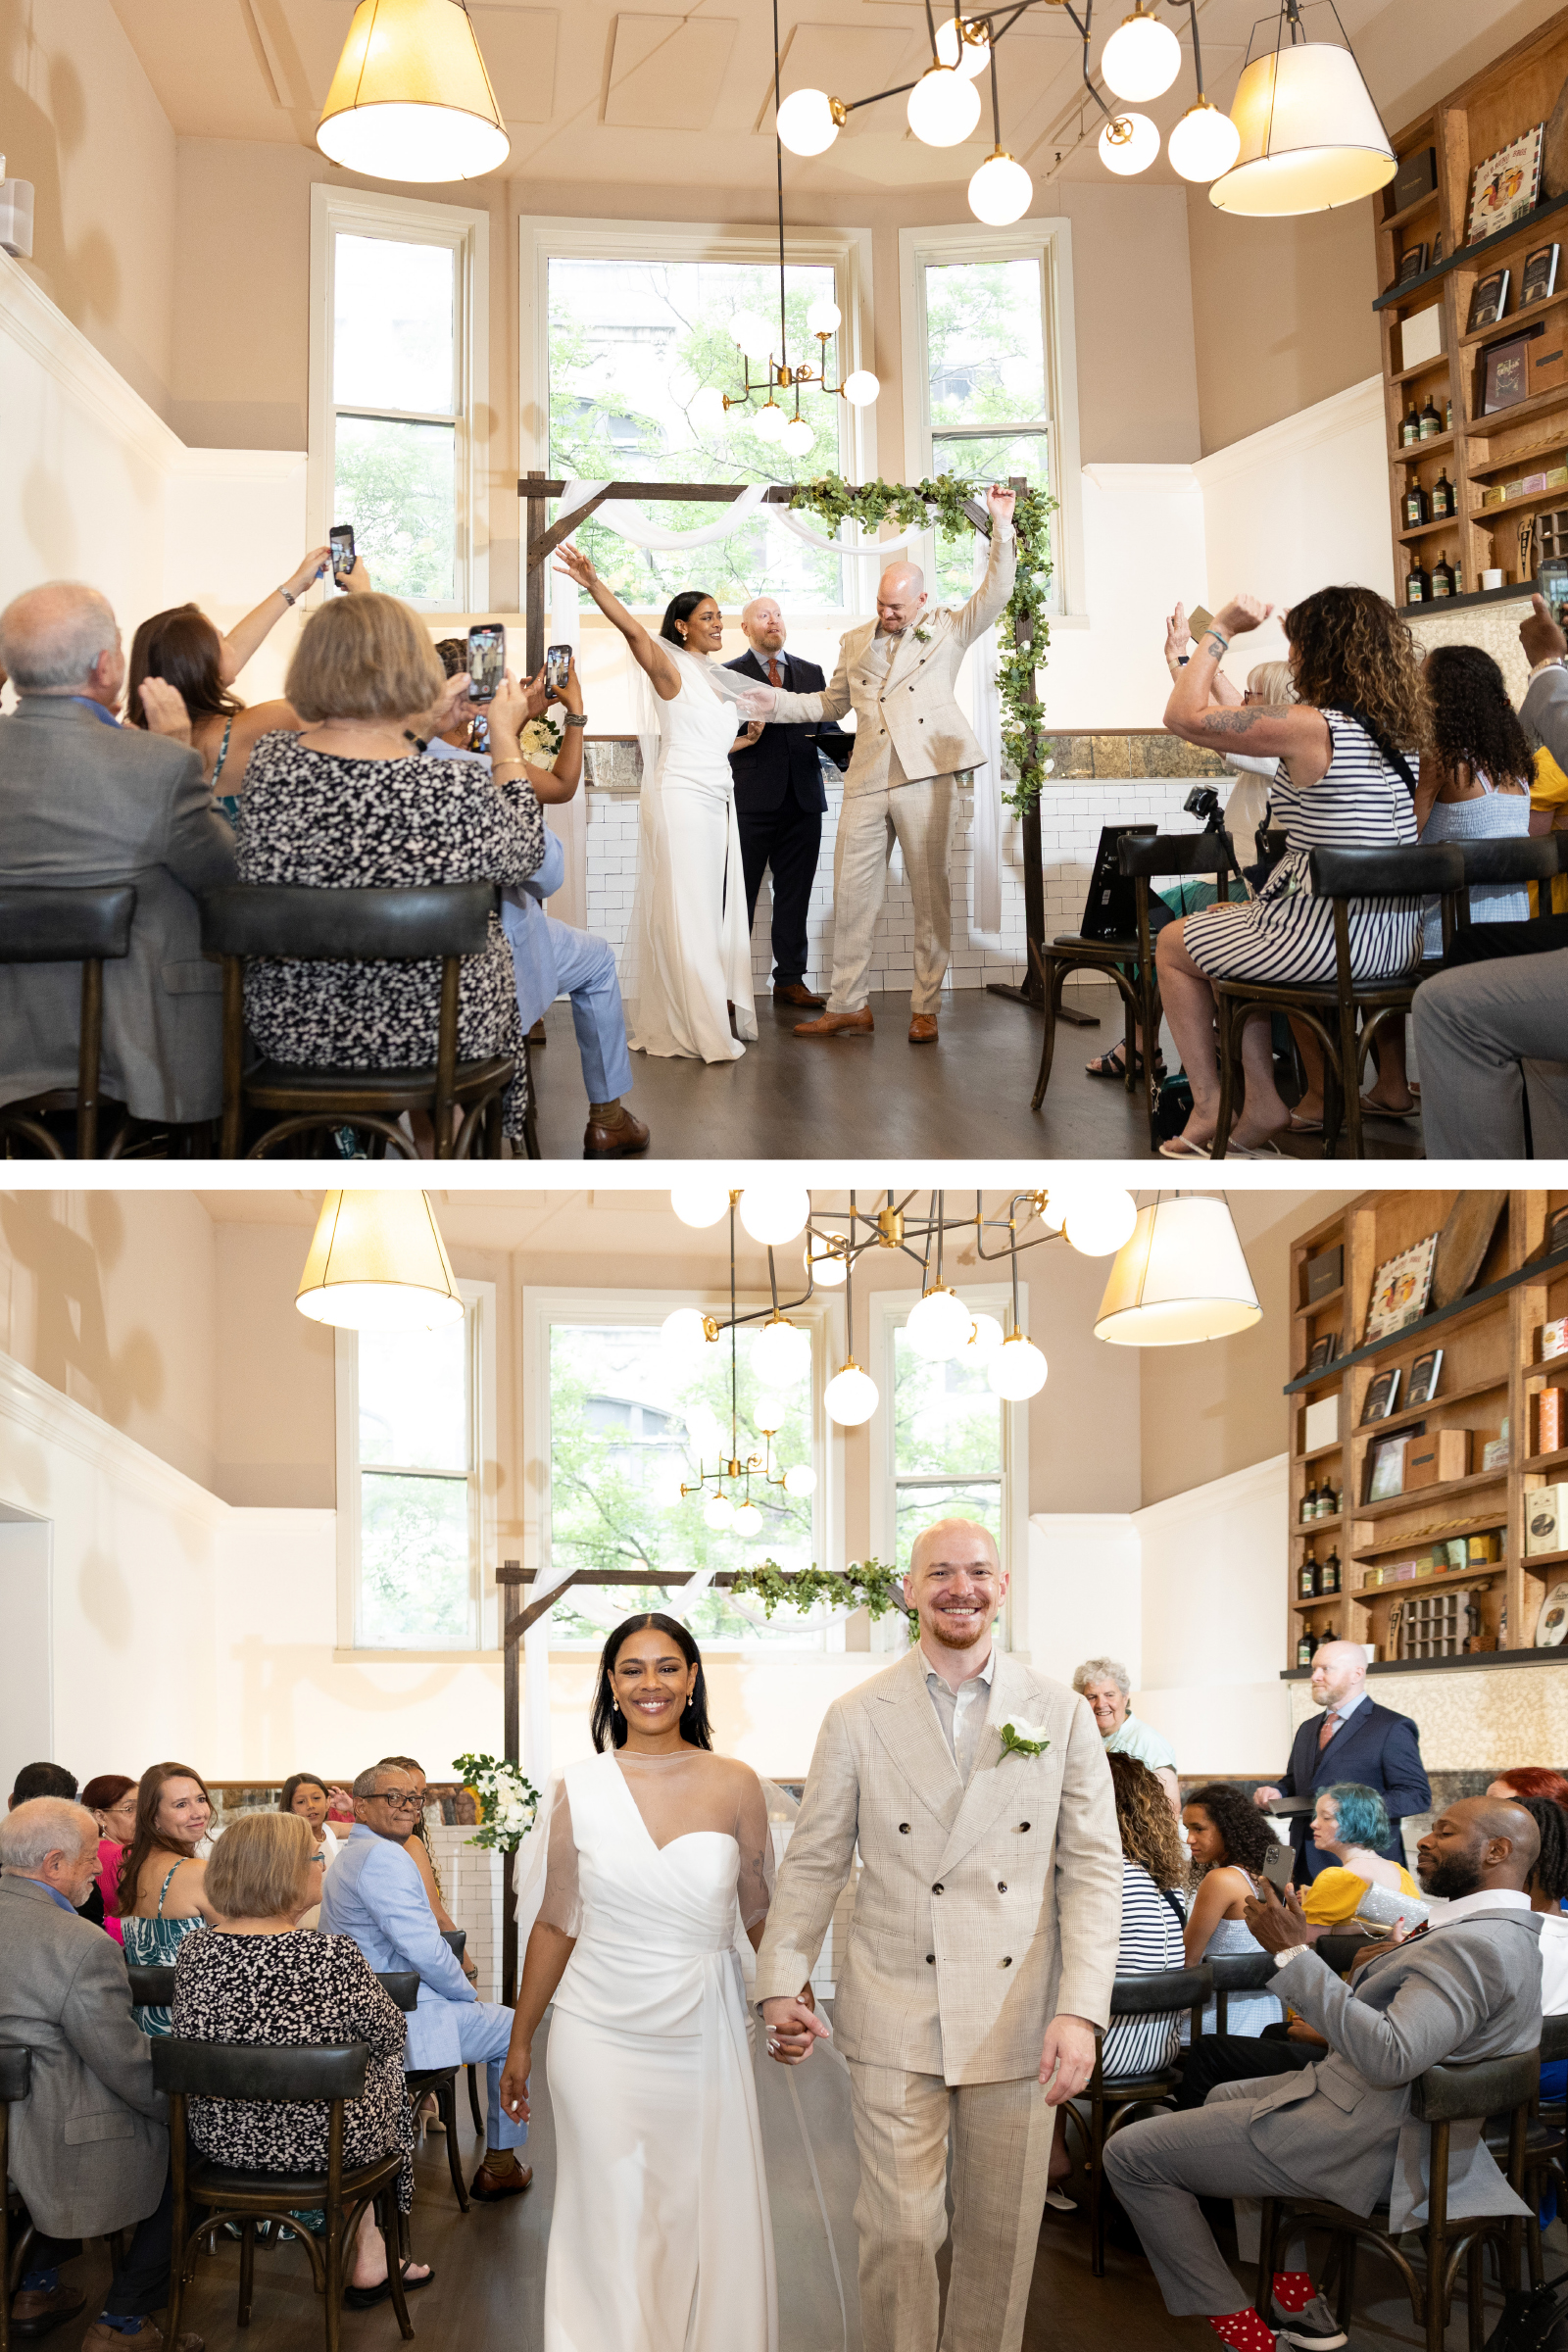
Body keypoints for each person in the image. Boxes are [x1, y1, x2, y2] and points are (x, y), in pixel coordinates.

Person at [755, 1517, 1122, 2352]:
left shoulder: (1061, 1713)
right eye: (942, 1573)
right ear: (911, 1589)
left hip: (1020, 2009)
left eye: (979, 1572)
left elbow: (1094, 1872)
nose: (962, 1588)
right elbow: (813, 1862)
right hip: (893, 2001)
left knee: (999, 2241)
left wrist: (1080, 2011)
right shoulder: (857, 1714)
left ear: (1003, 1588)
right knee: (899, 2231)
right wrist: (780, 1978)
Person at [1103, 1797, 1544, 2352]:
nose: (1425, 1839)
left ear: (1497, 1851)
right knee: (1222, 2092)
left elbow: (1389, 2056)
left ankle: (1245, 2336)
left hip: (1376, 2137)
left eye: (1445, 1831)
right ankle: (1296, 2303)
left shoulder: (1474, 1944)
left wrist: (1293, 1955)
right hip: (1405, 2120)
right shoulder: (1504, 1931)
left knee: (1129, 2155)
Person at [502, 1613, 781, 2349]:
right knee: (610, 2206)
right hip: (595, 2031)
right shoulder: (577, 1787)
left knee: (689, 2206)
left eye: (666, 1667)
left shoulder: (736, 1783)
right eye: (632, 1668)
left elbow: (759, 1908)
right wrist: (521, 2041)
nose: (649, 1683)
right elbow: (555, 1923)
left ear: (692, 1678)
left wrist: (790, 1991)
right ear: (610, 1682)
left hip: (701, 2027)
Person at [236, 589, 547, 1152]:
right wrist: (505, 737)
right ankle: (447, 1158)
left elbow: (360, 770)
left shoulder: (271, 765)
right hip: (437, 1038)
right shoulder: (451, 785)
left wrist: (421, 730)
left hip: (299, 1033)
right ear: (415, 670)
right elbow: (525, 854)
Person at [1157, 586, 1428, 1158]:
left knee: (1173, 944)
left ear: (1321, 651)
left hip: (1329, 943)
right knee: (1222, 925)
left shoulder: (1312, 726)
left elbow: (1182, 716)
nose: (1293, 658)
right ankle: (1262, 1100)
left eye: (1298, 645)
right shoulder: (1400, 733)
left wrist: (1221, 628)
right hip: (1394, 943)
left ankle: (1211, 1103)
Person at [744, 486, 1018, 1047]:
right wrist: (772, 704)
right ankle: (848, 1005)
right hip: (867, 776)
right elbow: (830, 705)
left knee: (930, 895)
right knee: (852, 894)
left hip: (927, 773)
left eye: (897, 607)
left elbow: (996, 592)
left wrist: (1002, 527)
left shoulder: (948, 626)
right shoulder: (854, 641)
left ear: (921, 600)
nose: (887, 614)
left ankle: (925, 1006)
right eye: (881, 604)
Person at [0, 580, 236, 1134]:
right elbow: (228, 879)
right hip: (139, 1050)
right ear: (105, 666)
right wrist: (180, 752)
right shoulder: (160, 764)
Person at [172, 1811, 430, 2306]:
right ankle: (373, 2251)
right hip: (322, 2145)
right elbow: (391, 2034)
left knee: (354, 2082)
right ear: (285, 1872)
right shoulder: (332, 1955)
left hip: (222, 2139)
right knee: (379, 2076)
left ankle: (372, 2249)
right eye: (316, 1857)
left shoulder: (194, 1950)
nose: (324, 1866)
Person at [428, 641, 648, 1157]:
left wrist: (515, 721)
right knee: (598, 959)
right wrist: (573, 713)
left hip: (408, 963)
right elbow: (548, 866)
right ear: (474, 701)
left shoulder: (401, 756)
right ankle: (607, 1117)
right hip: (488, 952)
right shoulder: (482, 770)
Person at [0, 1798, 201, 2352]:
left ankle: (36, 2286)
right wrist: (181, 2108)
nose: (101, 1866)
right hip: (55, 2140)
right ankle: (122, 2322)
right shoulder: (80, 1943)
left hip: (11, 2133)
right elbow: (126, 2065)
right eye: (92, 1855)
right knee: (194, 2143)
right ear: (54, 1863)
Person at [552, 551, 760, 1063]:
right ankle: (700, 1027)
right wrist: (593, 584)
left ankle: (684, 1014)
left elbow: (699, 738)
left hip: (714, 797)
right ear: (683, 627)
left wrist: (742, 743)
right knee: (689, 911)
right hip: (681, 799)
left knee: (703, 910)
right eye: (707, 617)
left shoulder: (715, 677)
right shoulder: (669, 666)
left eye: (720, 616)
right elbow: (633, 633)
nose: (719, 624)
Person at [318, 1760, 530, 2200]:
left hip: (363, 2016)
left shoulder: (354, 1854)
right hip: (400, 2020)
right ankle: (499, 2165)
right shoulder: (383, 1857)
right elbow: (425, 1948)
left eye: (414, 1798)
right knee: (514, 2029)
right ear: (360, 1806)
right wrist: (466, 1991)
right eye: (393, 1797)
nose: (409, 1806)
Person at [1408, 592, 1568, 1157]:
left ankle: (1382, 1086)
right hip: (1515, 921)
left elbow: (1404, 847)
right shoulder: (1516, 762)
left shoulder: (1440, 761)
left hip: (1448, 931)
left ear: (1439, 698)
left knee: (1360, 931)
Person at [1047, 1755, 1190, 2212]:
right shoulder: (1162, 1881)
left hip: (1106, 2053)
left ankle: (1047, 2160)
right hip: (1158, 2048)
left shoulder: (1101, 1880)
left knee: (1028, 2021)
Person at [123, 546, 344, 817]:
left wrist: (296, 585)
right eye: (221, 639)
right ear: (204, 665)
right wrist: (364, 598)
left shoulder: (141, 741)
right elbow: (346, 704)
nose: (231, 645)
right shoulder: (264, 723)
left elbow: (225, 658)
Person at [724, 594, 853, 1008]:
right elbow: (716, 734)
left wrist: (850, 753)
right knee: (737, 897)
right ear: (746, 628)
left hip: (803, 801)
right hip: (750, 801)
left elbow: (826, 726)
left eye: (778, 614)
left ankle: (790, 980)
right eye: (763, 616)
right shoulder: (728, 675)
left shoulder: (811, 672)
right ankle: (727, 988)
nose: (773, 621)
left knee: (795, 895)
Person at [1252, 1640, 1429, 1884]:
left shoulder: (1392, 1727)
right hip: (1302, 1862)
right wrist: (1278, 1792)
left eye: (1326, 1669)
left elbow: (1416, 1795)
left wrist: (1349, 1811)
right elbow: (1295, 1782)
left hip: (1361, 1870)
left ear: (1357, 1674)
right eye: (1314, 1669)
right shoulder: (1307, 1728)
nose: (1315, 1676)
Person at [119, 1763, 220, 2034]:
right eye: (181, 1805)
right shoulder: (195, 1872)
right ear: (154, 1818)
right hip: (188, 2030)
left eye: (200, 1799)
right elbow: (240, 1944)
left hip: (143, 2028)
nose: (198, 1812)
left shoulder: (134, 1868)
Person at [1181, 1784, 1281, 2037]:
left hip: (1219, 2023)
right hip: (1269, 2019)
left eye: (1198, 1829)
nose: (1189, 1839)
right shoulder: (1276, 1869)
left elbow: (1188, 1961)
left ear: (1228, 1827)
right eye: (1187, 1829)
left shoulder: (1221, 1879)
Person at [1298, 1783, 1421, 1932]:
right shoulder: (1401, 1873)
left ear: (1355, 1822)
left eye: (1326, 1817)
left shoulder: (1336, 1878)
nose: (1313, 1824)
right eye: (1316, 1816)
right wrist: (1319, 1894)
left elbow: (1307, 1941)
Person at [1072, 1654, 1179, 1808]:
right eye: (1092, 1697)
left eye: (1109, 1695)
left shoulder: (1148, 1741)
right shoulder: (1081, 1740)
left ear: (1124, 1697)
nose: (1101, 1704)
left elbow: (1170, 1808)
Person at [82, 1774, 139, 1944]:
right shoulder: (126, 1856)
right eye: (129, 1809)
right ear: (100, 1816)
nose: (140, 1817)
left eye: (142, 1808)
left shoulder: (80, 1852)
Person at [279, 1772, 345, 1871]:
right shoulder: (286, 1843)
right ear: (289, 1809)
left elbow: (368, 1826)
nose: (310, 1805)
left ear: (328, 1802)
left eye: (316, 1798)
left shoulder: (330, 1829)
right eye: (301, 1801)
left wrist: (351, 1807)